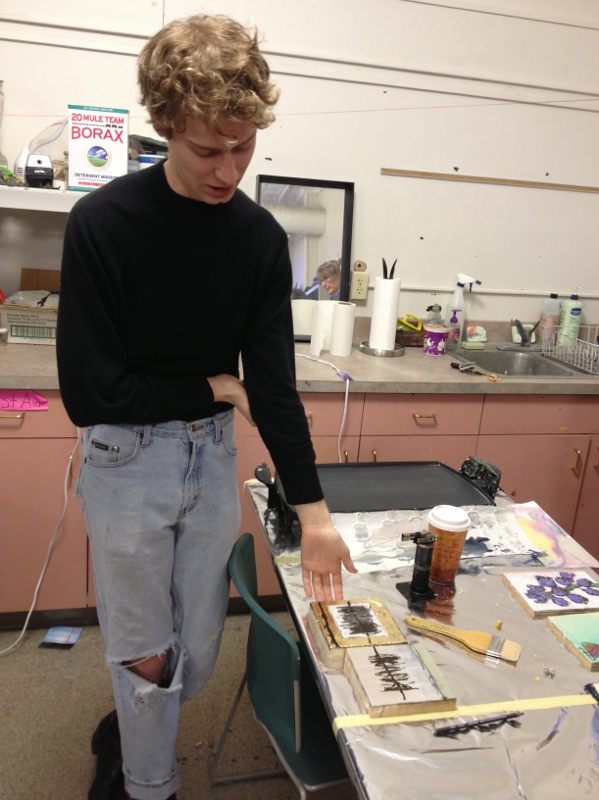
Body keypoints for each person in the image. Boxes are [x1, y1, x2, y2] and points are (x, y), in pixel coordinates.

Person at [56, 14, 356, 800]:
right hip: (126, 459)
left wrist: (315, 516)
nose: (229, 170)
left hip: (211, 458)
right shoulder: (102, 225)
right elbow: (91, 395)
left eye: (243, 147)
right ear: (165, 127)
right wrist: (214, 387)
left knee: (193, 655)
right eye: (207, 149)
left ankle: (127, 729)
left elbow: (274, 388)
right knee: (147, 656)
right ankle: (147, 783)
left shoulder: (257, 240)